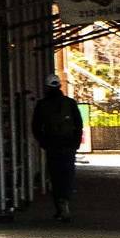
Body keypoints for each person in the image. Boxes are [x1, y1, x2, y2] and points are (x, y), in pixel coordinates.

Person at [30, 75, 85, 221]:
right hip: (68, 145)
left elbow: (36, 126)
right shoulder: (70, 103)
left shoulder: (42, 105)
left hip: (52, 145)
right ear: (60, 86)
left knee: (55, 175)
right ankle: (65, 201)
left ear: (46, 87)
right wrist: (76, 142)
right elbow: (79, 124)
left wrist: (43, 142)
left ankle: (59, 205)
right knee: (67, 174)